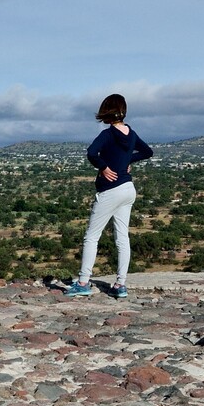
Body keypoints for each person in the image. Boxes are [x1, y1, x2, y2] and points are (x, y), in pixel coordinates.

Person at [65, 94, 154, 298]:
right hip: (128, 190)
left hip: (110, 191)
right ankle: (120, 285)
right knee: (122, 237)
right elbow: (148, 152)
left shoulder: (108, 134)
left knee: (91, 237)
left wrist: (104, 167)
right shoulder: (131, 133)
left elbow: (91, 153)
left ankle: (83, 282)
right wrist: (127, 161)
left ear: (106, 111)